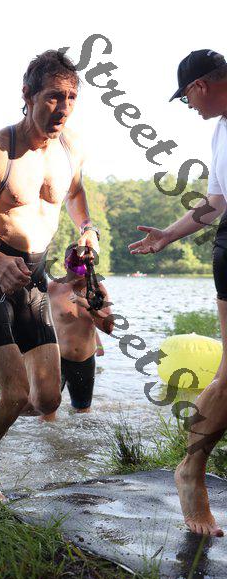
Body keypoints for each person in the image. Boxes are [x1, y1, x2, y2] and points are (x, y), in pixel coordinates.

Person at [0, 50, 100, 499]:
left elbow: (75, 194)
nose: (63, 108)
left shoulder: (71, 148)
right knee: (14, 393)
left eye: (71, 98)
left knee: (47, 399)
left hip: (34, 276)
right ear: (28, 95)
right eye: (53, 97)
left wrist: (87, 229)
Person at [128, 49, 227, 537]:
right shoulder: (220, 131)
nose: (188, 107)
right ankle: (191, 468)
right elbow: (217, 202)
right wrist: (168, 234)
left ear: (200, 86)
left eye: (186, 97)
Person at [48, 244, 113, 414]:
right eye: (73, 269)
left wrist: (89, 306)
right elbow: (35, 318)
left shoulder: (97, 289)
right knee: (47, 411)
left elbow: (110, 327)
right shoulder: (53, 287)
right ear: (65, 265)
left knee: (82, 414)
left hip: (84, 360)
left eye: (81, 270)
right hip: (57, 359)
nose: (77, 276)